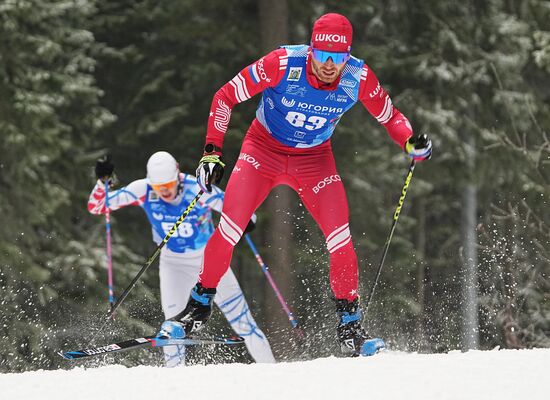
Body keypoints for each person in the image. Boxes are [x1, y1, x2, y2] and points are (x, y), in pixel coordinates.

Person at [158, 13, 432, 356]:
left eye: (339, 57)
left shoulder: (357, 77)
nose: (330, 65)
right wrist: (212, 153)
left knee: (340, 236)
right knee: (229, 227)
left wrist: (410, 142)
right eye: (322, 55)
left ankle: (350, 325)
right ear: (311, 49)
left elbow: (391, 117)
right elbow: (224, 96)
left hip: (314, 159)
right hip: (263, 149)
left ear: (348, 56)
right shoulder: (283, 63)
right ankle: (197, 307)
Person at [88, 151, 275, 366]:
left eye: (168, 185)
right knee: (171, 329)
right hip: (173, 265)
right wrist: (102, 182)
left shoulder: (198, 188)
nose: (165, 192)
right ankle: (175, 383)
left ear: (177, 175)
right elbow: (98, 206)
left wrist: (245, 219)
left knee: (244, 323)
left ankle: (272, 372)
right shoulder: (143, 189)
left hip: (210, 263)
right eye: (159, 188)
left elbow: (238, 209)